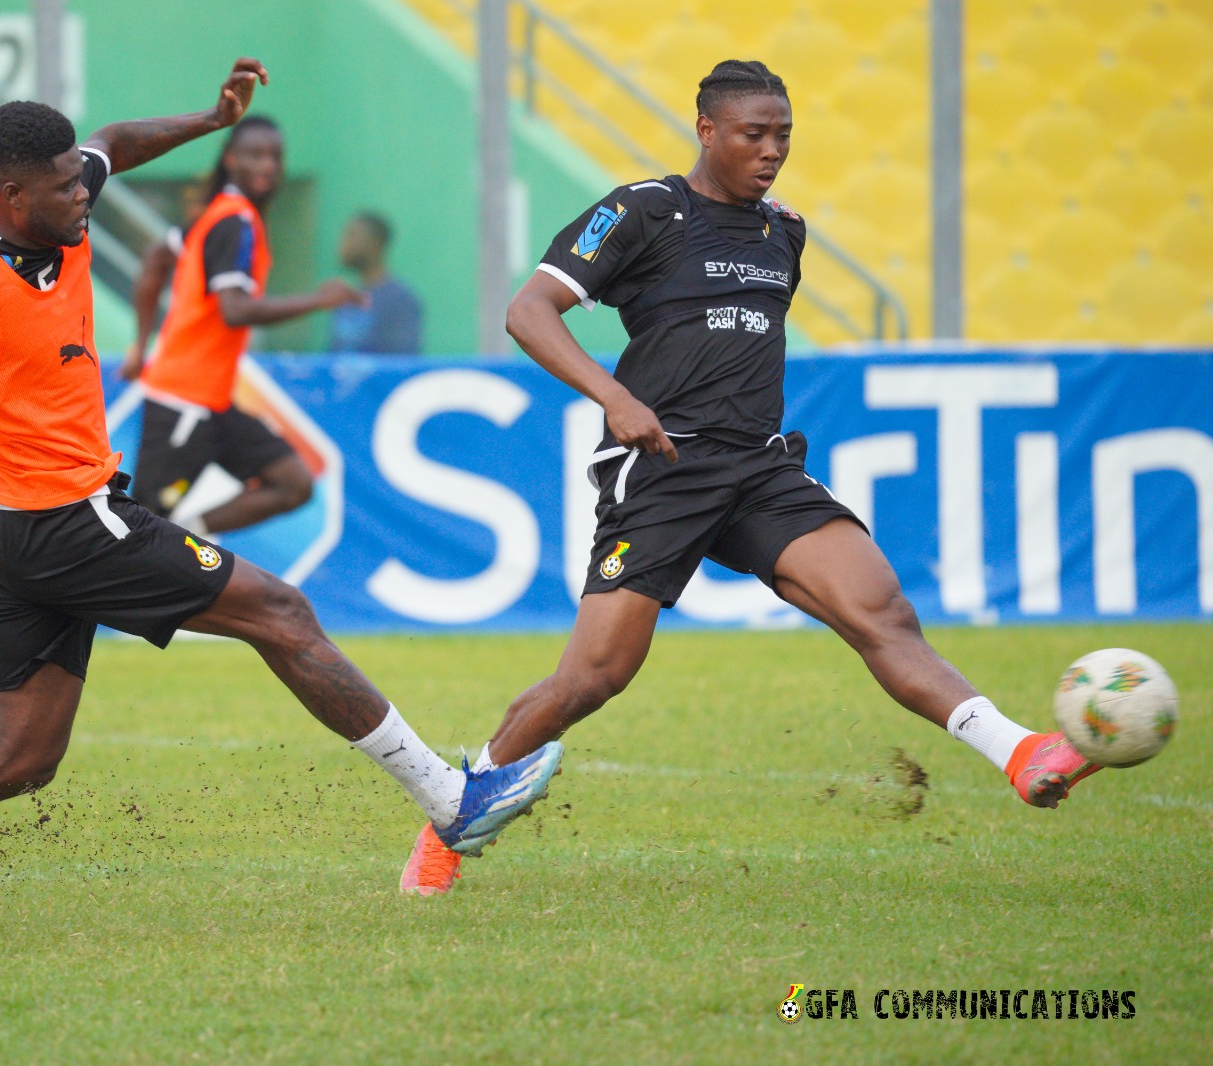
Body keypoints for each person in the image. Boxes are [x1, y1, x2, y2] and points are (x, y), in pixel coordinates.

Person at [0, 59, 562, 939]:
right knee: (281, 611)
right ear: (8, 198)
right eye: (61, 188)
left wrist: (211, 116)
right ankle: (451, 800)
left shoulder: (60, 191)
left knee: (22, 756)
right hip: (64, 522)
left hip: (13, 519)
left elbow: (112, 142)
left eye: (79, 179)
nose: (84, 194)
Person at [398, 59, 1099, 896]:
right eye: (754, 135)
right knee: (595, 676)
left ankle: (1020, 751)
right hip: (662, 466)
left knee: (883, 611)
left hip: (759, 465)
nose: (772, 151)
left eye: (784, 137)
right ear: (707, 131)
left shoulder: (783, 232)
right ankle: (451, 819)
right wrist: (617, 397)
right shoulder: (642, 210)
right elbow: (527, 311)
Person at [125, 115, 360, 535]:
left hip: (211, 403)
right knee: (142, 527)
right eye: (255, 154)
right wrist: (319, 300)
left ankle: (188, 536)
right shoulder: (236, 221)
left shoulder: (215, 215)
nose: (267, 165)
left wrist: (139, 346)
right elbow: (234, 309)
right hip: (182, 404)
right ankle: (92, 593)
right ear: (231, 159)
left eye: (275, 156)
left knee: (294, 483)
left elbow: (157, 257)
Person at [119, 179, 207, 380]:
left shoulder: (239, 223)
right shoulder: (204, 231)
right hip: (184, 368)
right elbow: (157, 254)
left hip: (212, 365)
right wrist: (140, 346)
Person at [326, 211, 423, 354]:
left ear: (376, 243)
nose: (343, 244)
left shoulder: (400, 301)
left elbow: (401, 364)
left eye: (351, 235)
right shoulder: (344, 299)